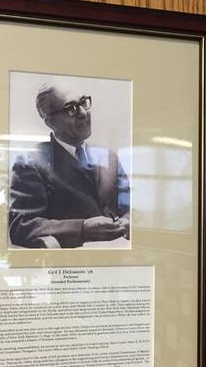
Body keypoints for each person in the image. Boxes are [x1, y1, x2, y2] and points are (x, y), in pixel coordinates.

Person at [8, 82, 130, 248]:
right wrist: (82, 229)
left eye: (84, 102)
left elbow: (129, 205)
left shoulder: (108, 156)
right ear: (50, 122)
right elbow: (21, 226)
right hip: (71, 264)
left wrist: (128, 220)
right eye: (71, 108)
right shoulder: (30, 163)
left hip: (119, 259)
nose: (83, 113)